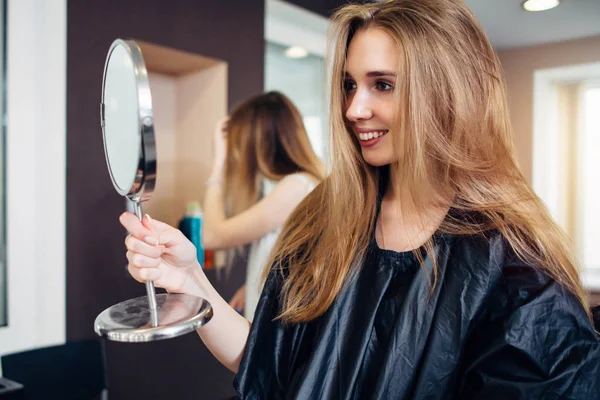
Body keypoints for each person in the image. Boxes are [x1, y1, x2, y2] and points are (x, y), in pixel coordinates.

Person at [120, 0, 600, 398]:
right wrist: (191, 282)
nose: (354, 108)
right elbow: (268, 365)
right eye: (349, 84)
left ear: (449, 94)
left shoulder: (515, 270)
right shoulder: (323, 220)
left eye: (382, 85)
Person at [203, 91, 323, 320]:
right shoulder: (298, 186)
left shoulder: (297, 186)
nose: (236, 153)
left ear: (254, 145)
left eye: (238, 143)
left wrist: (218, 165)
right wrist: (254, 286)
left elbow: (211, 237)